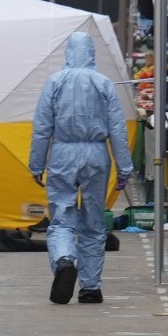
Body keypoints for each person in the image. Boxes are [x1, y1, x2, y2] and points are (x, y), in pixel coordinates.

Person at [28, 31, 134, 305]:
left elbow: (42, 128)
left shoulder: (55, 82)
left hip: (63, 152)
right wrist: (124, 167)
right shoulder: (104, 84)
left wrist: (37, 163)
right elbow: (117, 130)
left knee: (62, 217)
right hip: (96, 154)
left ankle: (64, 259)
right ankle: (90, 286)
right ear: (91, 53)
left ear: (67, 53)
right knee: (93, 220)